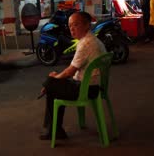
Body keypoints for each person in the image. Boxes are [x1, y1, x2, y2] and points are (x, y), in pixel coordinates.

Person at [39, 11, 107, 140]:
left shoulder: (86, 43)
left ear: (87, 25)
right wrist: (56, 78)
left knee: (50, 84)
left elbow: (70, 71)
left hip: (86, 89)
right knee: (53, 84)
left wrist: (53, 79)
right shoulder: (91, 39)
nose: (72, 28)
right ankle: (55, 129)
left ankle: (54, 130)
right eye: (70, 25)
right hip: (92, 86)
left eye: (76, 25)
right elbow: (72, 70)